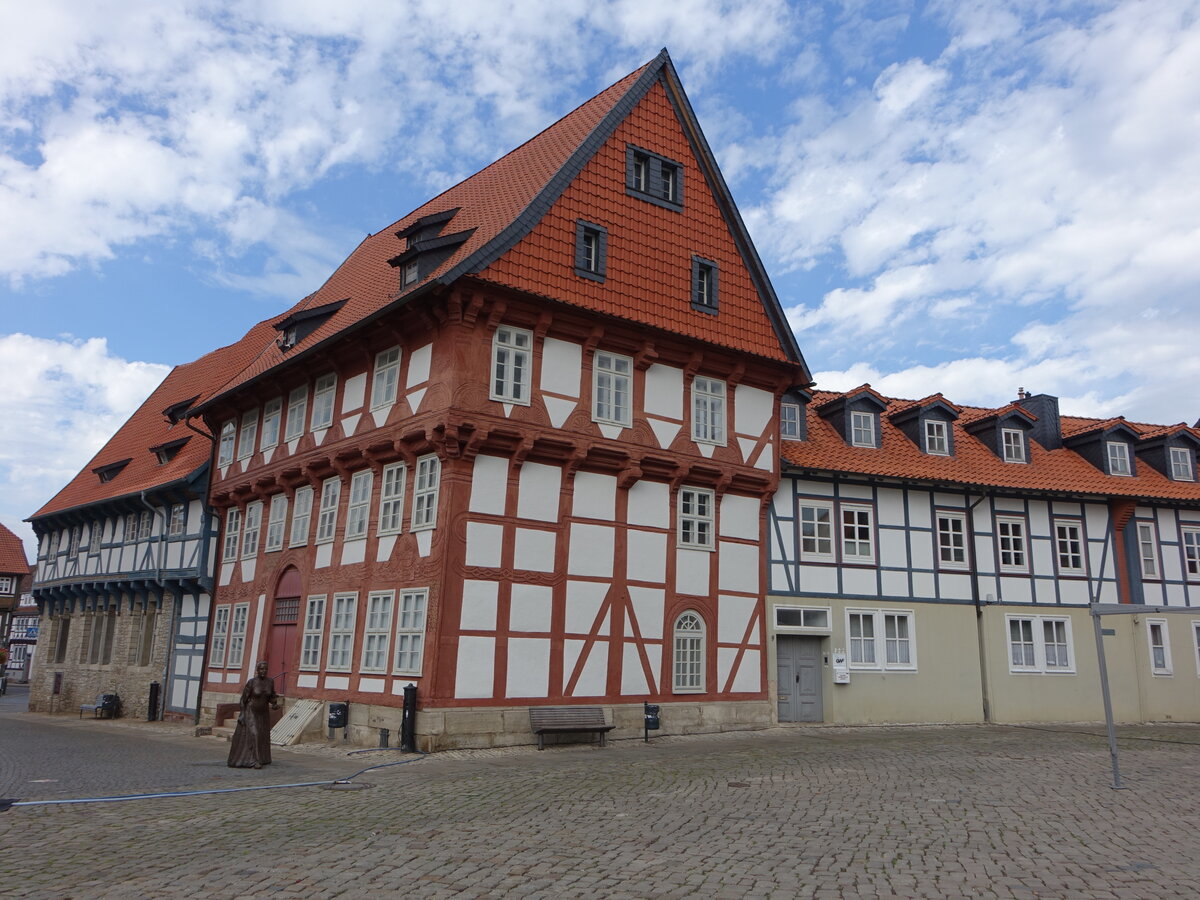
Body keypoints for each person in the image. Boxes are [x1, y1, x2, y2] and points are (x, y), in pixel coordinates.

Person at [227, 660, 280, 768]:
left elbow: (271, 696)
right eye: (261, 669)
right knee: (255, 734)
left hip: (263, 713)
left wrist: (274, 704)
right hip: (251, 711)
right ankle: (255, 761)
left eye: (265, 669)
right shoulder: (252, 682)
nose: (263, 671)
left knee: (262, 736)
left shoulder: (270, 681)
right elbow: (243, 699)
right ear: (257, 670)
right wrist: (242, 714)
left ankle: (263, 758)